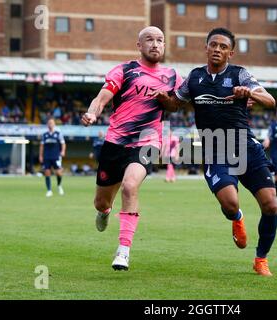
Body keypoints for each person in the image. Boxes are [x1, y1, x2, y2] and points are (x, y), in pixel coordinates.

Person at [152, 27, 277, 276]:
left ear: (230, 53)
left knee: (271, 205)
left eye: (223, 47)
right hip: (214, 148)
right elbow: (176, 103)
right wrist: (160, 98)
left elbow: (270, 100)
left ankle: (261, 259)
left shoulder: (240, 74)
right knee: (231, 205)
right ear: (206, 47)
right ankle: (237, 218)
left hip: (245, 147)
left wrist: (249, 92)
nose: (217, 50)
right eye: (213, 45)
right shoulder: (195, 77)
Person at [81, 26, 183, 271]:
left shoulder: (173, 76)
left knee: (129, 186)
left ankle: (123, 251)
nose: (155, 44)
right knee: (100, 202)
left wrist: (167, 101)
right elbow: (102, 97)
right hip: (115, 142)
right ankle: (105, 212)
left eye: (160, 40)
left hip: (147, 141)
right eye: (149, 40)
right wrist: (92, 113)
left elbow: (179, 105)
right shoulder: (125, 70)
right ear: (139, 45)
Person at [39, 118, 66, 197]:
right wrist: (40, 155)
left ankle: (59, 186)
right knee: (47, 173)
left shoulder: (58, 134)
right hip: (46, 156)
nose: (50, 124)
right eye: (49, 123)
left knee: (58, 172)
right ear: (47, 125)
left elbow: (63, 143)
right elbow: (41, 146)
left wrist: (63, 151)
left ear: (54, 124)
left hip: (56, 156)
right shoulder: (45, 135)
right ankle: (49, 190)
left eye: (51, 123)